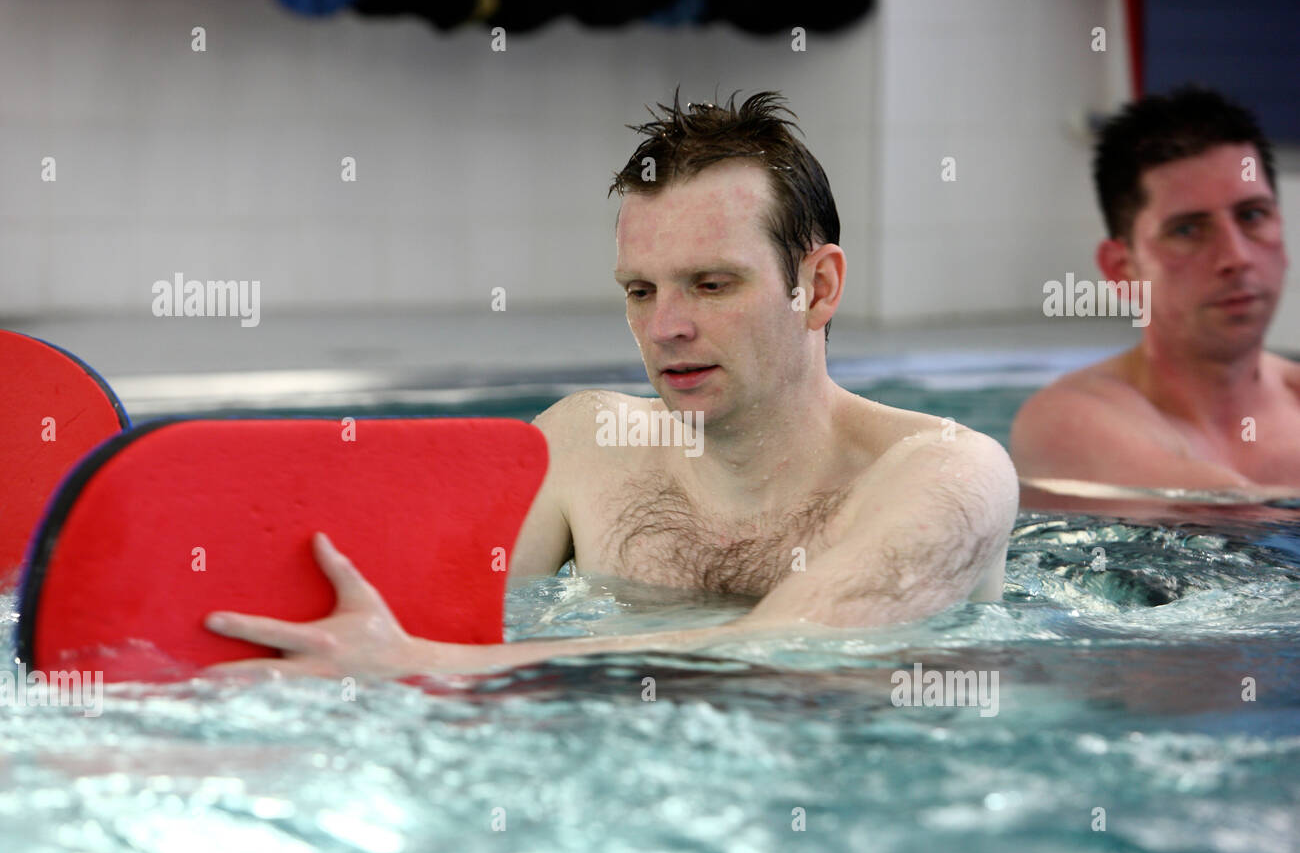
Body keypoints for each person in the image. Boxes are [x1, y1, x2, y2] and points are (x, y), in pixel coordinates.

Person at [204, 91, 1018, 676]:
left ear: (820, 287)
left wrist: (434, 663)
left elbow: (796, 644)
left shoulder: (948, 471)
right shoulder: (583, 444)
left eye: (711, 284)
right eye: (640, 291)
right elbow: (433, 612)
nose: (666, 327)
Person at [1011, 87, 1300, 496]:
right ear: (1121, 269)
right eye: (1187, 229)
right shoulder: (1067, 423)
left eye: (1252, 215)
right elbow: (1238, 524)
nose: (1236, 256)